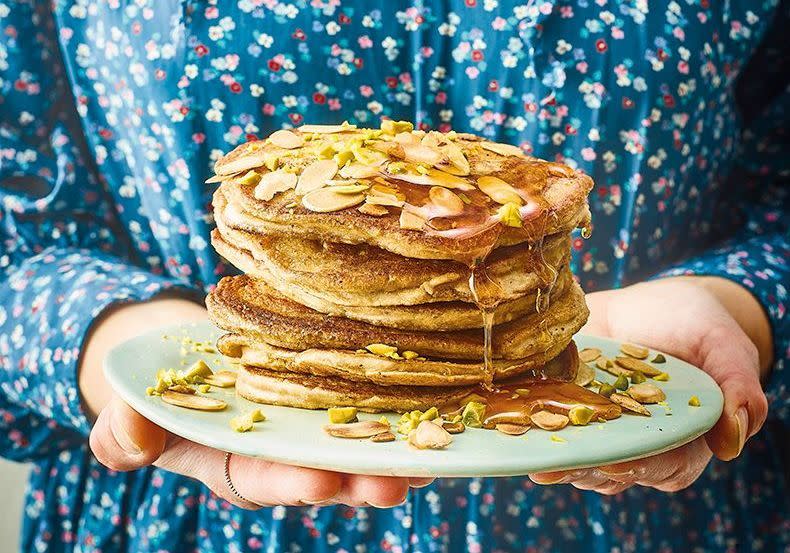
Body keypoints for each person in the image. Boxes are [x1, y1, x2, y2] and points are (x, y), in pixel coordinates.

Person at [1, 1, 787, 551]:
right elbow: (16, 232)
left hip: (647, 506)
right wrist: (118, 348)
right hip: (182, 518)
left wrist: (736, 304)